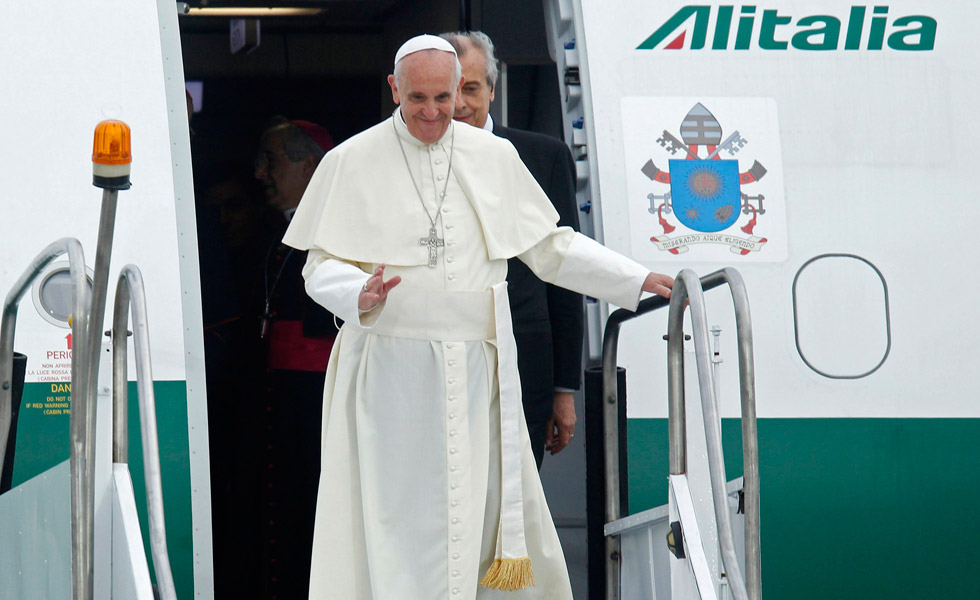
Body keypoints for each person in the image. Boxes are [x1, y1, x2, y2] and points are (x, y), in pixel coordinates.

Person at [283, 34, 674, 599]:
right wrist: (357, 291)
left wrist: (633, 281)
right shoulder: (352, 160)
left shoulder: (494, 157)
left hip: (478, 376)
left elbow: (550, 247)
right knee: (397, 520)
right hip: (390, 375)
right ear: (394, 89)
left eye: (444, 98)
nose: (434, 112)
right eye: (418, 99)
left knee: (477, 513)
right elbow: (318, 267)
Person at [441, 30, 582, 469]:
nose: (460, 104)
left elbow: (564, 272)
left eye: (471, 88)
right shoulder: (406, 159)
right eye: (450, 91)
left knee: (517, 498)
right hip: (438, 364)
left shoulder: (544, 157)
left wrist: (563, 388)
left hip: (525, 363)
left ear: (492, 90)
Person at [251, 117, 337, 599]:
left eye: (273, 162)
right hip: (284, 396)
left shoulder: (337, 229)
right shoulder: (279, 231)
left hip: (315, 400)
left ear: (309, 166)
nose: (263, 175)